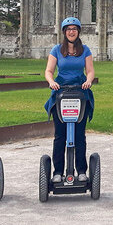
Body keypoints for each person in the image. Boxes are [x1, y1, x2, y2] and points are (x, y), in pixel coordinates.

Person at [44, 17, 95, 183]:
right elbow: (49, 71)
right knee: (60, 135)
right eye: (68, 29)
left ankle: (81, 170)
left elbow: (90, 70)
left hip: (80, 92)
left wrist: (88, 81)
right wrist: (52, 82)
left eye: (74, 29)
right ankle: (58, 171)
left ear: (78, 31)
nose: (71, 31)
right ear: (64, 32)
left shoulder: (85, 50)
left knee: (79, 135)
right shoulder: (57, 49)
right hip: (61, 92)